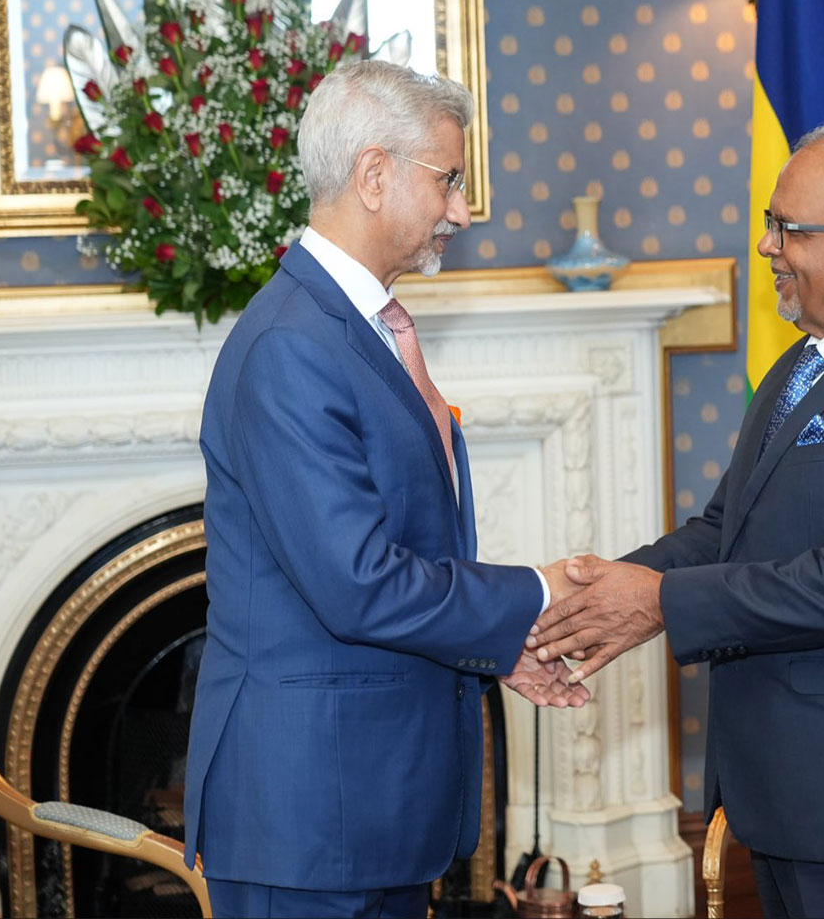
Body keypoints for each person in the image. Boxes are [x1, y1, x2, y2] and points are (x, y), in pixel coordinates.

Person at [531, 124, 824, 919]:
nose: (766, 245)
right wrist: (587, 588)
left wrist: (657, 603)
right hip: (787, 786)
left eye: (789, 228)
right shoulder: (803, 365)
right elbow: (726, 530)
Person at [184, 61, 588, 919]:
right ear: (375, 175)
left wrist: (496, 647)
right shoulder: (293, 348)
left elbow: (404, 552)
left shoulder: (359, 330)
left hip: (367, 810)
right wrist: (543, 593)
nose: (463, 212)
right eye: (449, 180)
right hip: (308, 822)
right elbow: (359, 584)